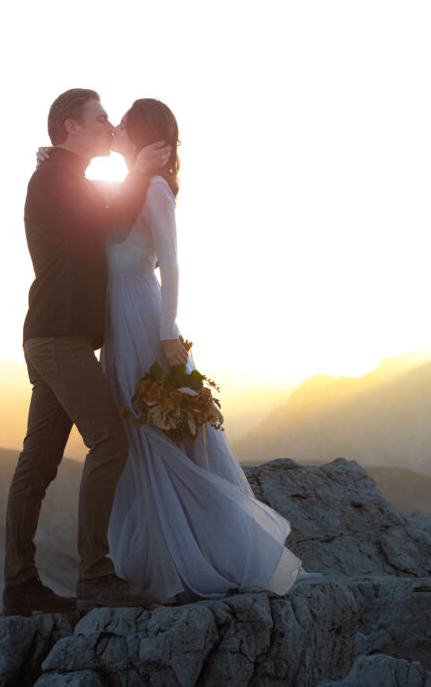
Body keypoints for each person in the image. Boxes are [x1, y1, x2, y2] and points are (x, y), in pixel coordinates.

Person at [102, 98, 302, 603]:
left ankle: (195, 553)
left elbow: (171, 265)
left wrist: (167, 331)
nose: (118, 126)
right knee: (132, 430)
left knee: (158, 432)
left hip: (145, 318)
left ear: (146, 135)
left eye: (127, 121)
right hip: (116, 319)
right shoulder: (126, 187)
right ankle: (160, 554)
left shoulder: (153, 189)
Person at [3, 88, 171, 617]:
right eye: (99, 117)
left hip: (54, 337)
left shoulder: (63, 178)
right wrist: (140, 172)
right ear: (69, 126)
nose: (107, 124)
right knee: (111, 442)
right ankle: (95, 575)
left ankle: (19, 586)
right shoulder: (57, 180)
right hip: (59, 341)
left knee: (39, 463)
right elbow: (113, 225)